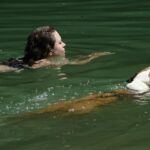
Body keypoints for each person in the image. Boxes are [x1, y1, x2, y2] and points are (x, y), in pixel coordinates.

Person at [0, 26, 113, 72]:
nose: (64, 44)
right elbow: (77, 62)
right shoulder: (46, 63)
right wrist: (95, 56)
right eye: (60, 43)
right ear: (51, 51)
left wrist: (94, 55)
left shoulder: (38, 60)